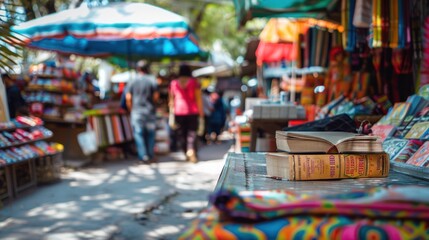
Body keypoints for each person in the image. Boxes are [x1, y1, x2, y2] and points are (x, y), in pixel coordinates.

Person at [125, 61, 159, 163]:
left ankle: (143, 156)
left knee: (139, 134)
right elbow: (156, 96)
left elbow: (128, 97)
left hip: (137, 112)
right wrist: (153, 104)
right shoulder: (152, 80)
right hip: (149, 111)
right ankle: (150, 155)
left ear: (138, 69)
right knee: (150, 134)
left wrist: (131, 109)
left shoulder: (132, 80)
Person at [169, 64, 203, 163]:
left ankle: (186, 152)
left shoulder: (173, 83)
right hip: (192, 110)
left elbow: (171, 100)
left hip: (178, 111)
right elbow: (198, 99)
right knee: (192, 132)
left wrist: (171, 112)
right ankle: (191, 150)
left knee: (181, 133)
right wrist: (201, 113)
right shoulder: (194, 82)